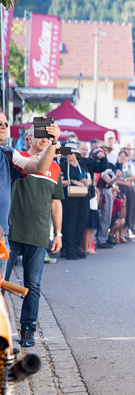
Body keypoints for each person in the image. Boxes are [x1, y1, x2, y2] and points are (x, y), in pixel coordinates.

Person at [4, 125, 64, 347]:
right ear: (28, 138)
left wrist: (58, 233)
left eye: (49, 136)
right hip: (11, 233)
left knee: (33, 286)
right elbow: (37, 165)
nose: (44, 139)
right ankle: (3, 328)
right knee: (2, 283)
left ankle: (28, 329)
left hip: (38, 234)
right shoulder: (16, 158)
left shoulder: (56, 169)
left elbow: (55, 203)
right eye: (40, 135)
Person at [60, 144, 91, 260]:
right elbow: (60, 182)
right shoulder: (63, 165)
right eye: (66, 153)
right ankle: (69, 249)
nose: (67, 155)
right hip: (69, 197)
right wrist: (73, 181)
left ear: (76, 154)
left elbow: (90, 181)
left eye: (70, 153)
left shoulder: (82, 164)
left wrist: (86, 182)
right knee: (70, 223)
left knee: (81, 221)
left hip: (83, 197)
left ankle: (77, 246)